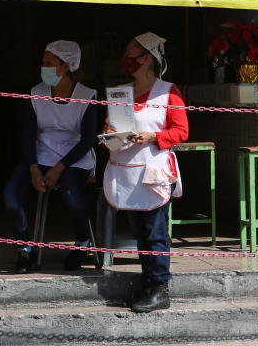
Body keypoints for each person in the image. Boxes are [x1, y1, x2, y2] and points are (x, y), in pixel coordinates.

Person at [103, 32, 189, 313]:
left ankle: (159, 286)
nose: (126, 59)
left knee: (155, 231)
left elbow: (181, 131)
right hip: (127, 171)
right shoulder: (120, 93)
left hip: (152, 173)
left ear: (147, 58)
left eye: (132, 53)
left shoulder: (168, 91)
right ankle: (147, 280)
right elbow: (111, 127)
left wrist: (151, 136)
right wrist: (109, 133)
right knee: (140, 231)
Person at [3, 40, 98, 274]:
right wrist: (34, 168)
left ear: (65, 66)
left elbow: (87, 140)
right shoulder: (37, 93)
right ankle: (25, 248)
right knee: (11, 195)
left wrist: (59, 168)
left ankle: (82, 244)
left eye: (49, 63)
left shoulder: (88, 95)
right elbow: (28, 136)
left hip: (75, 156)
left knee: (71, 194)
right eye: (42, 62)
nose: (42, 67)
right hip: (41, 153)